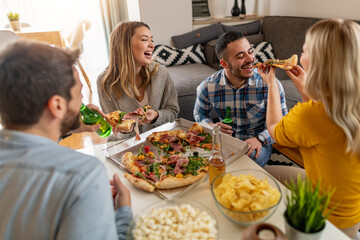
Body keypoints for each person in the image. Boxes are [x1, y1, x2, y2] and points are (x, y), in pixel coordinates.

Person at [0, 41, 132, 240]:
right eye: (79, 92)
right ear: (57, 105)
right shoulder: (83, 174)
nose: (84, 102)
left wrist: (70, 124)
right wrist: (124, 213)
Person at [259, 19, 360, 239]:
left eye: (304, 50)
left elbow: (275, 130)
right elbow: (323, 123)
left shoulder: (312, 115)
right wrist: (307, 90)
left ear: (319, 63)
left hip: (328, 221)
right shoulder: (343, 104)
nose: (300, 54)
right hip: (351, 212)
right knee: (269, 173)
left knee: (260, 176)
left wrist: (271, 85)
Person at [194, 31, 288, 166]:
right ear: (224, 64)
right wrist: (212, 127)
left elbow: (283, 123)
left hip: (257, 142)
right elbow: (199, 114)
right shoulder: (208, 86)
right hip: (225, 143)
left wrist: (260, 139)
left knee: (246, 162)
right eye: (241, 56)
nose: (250, 59)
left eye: (250, 52)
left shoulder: (270, 84)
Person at [97, 21, 179, 139]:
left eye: (152, 40)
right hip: (125, 147)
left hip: (160, 142)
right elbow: (114, 127)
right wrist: (125, 127)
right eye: (145, 39)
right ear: (124, 45)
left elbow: (173, 111)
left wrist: (156, 115)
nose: (151, 45)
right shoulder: (105, 82)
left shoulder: (161, 73)